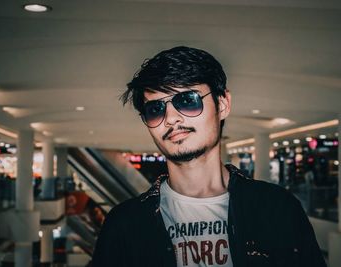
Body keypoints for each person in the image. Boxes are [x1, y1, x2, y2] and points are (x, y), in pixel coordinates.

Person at [92, 46, 326, 267]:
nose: (171, 118)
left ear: (223, 104)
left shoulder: (276, 209)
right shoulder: (124, 225)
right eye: (155, 110)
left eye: (187, 101)